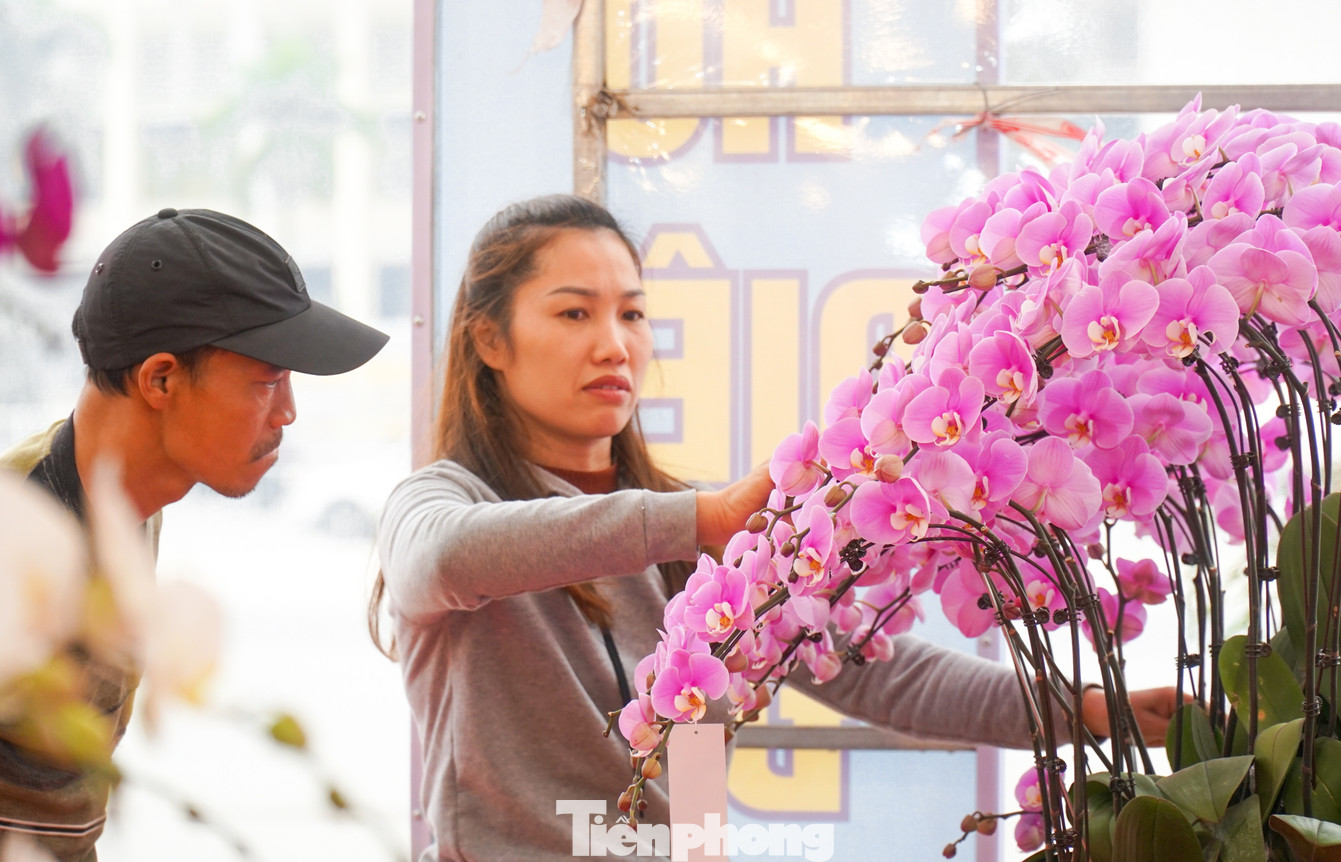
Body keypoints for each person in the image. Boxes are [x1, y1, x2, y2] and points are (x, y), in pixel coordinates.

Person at [372, 194, 1178, 862]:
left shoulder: (695, 539)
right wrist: (697, 519)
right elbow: (443, 559)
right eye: (574, 312)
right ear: (489, 339)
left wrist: (1087, 709)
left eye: (632, 313)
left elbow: (874, 672)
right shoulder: (443, 502)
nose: (613, 345)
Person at [0, 207, 389, 861]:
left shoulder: (129, 499)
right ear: (161, 379)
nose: (288, 413)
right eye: (268, 381)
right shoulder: (21, 538)